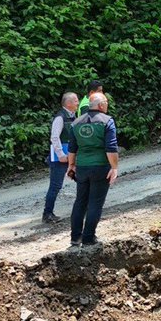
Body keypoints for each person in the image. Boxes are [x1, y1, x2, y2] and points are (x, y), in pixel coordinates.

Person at [67, 92, 118, 248]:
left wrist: (71, 166)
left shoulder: (76, 122)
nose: (107, 106)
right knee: (95, 203)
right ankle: (89, 238)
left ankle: (75, 238)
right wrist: (114, 167)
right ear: (101, 105)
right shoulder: (107, 121)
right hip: (100, 166)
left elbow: (72, 148)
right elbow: (111, 148)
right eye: (107, 103)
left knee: (80, 202)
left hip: (81, 167)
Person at [43, 92, 78, 224]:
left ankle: (83, 206)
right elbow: (54, 137)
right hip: (60, 158)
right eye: (75, 101)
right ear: (68, 103)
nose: (78, 103)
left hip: (70, 155)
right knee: (55, 186)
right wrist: (61, 155)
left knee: (82, 179)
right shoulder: (60, 118)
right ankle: (47, 214)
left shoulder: (73, 116)